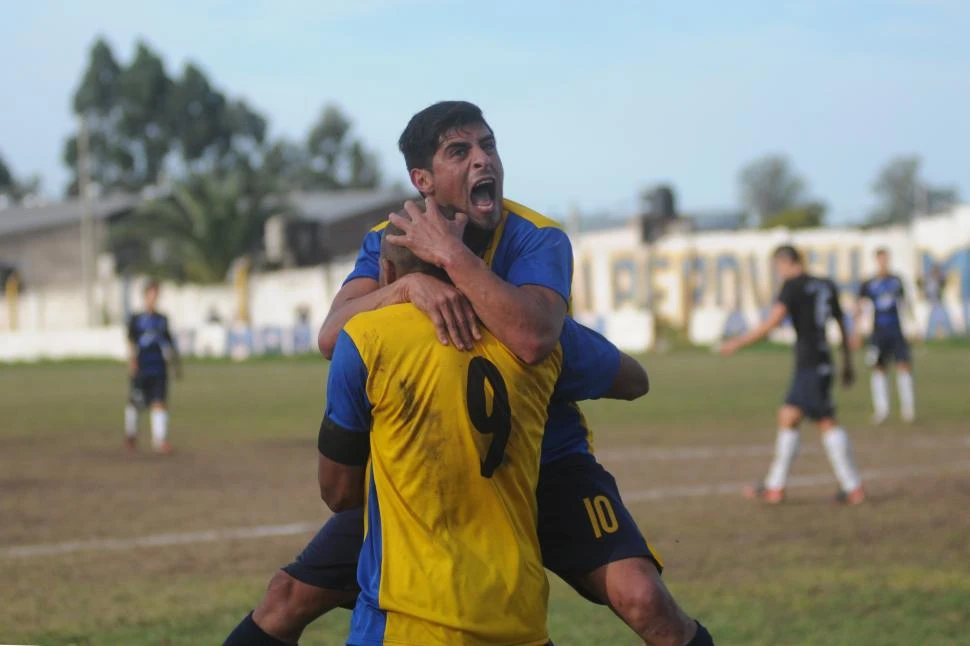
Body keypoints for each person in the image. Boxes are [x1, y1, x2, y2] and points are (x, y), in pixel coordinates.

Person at [224, 101, 711, 646]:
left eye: (489, 146)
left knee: (644, 599)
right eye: (461, 151)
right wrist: (406, 287)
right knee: (285, 598)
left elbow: (533, 337)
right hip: (432, 469)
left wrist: (451, 260)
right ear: (423, 180)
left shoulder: (537, 237)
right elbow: (332, 336)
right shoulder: (391, 237)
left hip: (544, 459)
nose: (484, 161)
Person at [318, 218, 610, 645]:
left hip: (403, 620)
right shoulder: (539, 337)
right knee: (643, 598)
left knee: (285, 601)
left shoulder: (364, 338)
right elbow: (633, 380)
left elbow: (338, 493)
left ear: (388, 274)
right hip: (516, 617)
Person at [721, 245, 865, 505]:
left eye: (777, 267)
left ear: (785, 262)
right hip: (822, 360)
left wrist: (737, 343)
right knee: (790, 416)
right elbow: (842, 324)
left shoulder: (792, 286)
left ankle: (852, 487)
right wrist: (847, 362)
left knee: (825, 422)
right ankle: (776, 486)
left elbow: (773, 322)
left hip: (809, 363)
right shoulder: (825, 285)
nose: (778, 273)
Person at [853, 248, 915, 423]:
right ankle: (882, 409)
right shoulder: (869, 283)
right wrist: (856, 331)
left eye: (886, 259)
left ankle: (908, 409)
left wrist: (913, 325)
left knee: (903, 366)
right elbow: (859, 306)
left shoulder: (896, 281)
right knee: (879, 368)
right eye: (880, 259)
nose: (883, 262)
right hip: (878, 331)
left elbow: (905, 304)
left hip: (896, 330)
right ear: (876, 261)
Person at [125, 280, 181, 454]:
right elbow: (130, 342)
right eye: (150, 296)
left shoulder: (162, 320)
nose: (153, 299)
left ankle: (159, 440)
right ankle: (131, 434)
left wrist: (175, 365)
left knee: (159, 403)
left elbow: (169, 343)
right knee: (136, 404)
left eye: (156, 296)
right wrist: (132, 362)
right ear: (145, 297)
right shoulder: (136, 319)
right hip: (142, 367)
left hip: (159, 368)